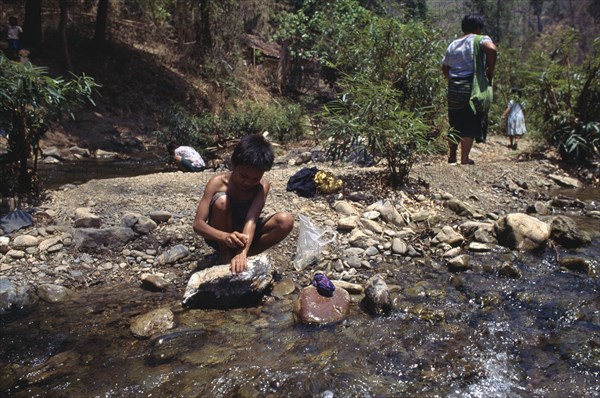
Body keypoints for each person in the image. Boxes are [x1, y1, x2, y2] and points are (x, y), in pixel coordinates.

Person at [193, 134, 294, 274]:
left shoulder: (262, 186)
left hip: (245, 234)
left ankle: (242, 255)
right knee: (222, 201)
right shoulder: (217, 183)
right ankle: (225, 254)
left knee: (286, 221)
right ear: (234, 165)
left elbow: (251, 220)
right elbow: (198, 224)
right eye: (243, 176)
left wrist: (242, 251)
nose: (247, 182)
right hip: (220, 236)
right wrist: (225, 237)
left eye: (255, 179)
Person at [442, 14, 497, 165]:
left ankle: (452, 156)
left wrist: (451, 79)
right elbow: (492, 50)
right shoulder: (480, 39)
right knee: (470, 122)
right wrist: (489, 70)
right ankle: (464, 159)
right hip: (471, 87)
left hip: (454, 88)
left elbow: (445, 67)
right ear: (478, 28)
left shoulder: (453, 44)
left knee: (455, 122)